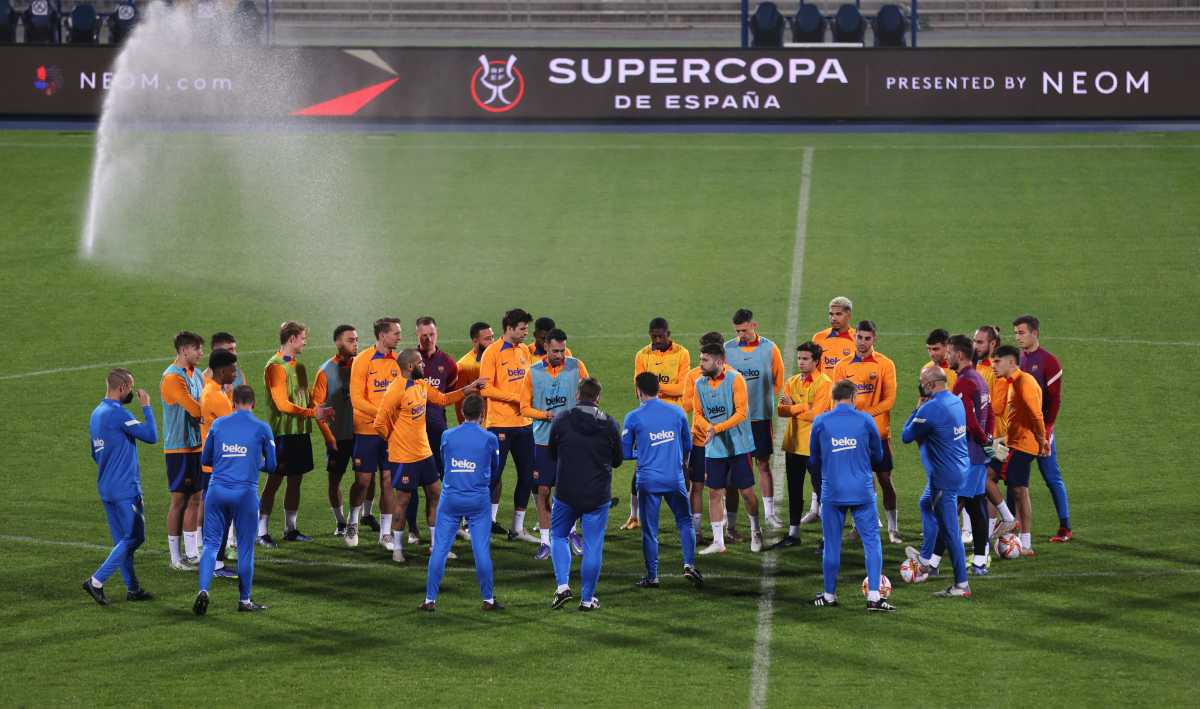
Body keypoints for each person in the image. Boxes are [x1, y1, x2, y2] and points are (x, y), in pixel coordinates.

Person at [374, 349, 484, 563]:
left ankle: (436, 547)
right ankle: (397, 549)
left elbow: (442, 399)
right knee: (403, 500)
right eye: (420, 363)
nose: (424, 365)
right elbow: (379, 423)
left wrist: (467, 389)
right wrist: (394, 440)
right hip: (404, 457)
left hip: (424, 453)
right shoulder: (396, 389)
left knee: (435, 495)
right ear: (410, 367)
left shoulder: (422, 385)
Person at [808, 380, 894, 612]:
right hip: (862, 491)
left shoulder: (820, 421)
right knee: (871, 542)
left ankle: (829, 595)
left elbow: (813, 459)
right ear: (854, 398)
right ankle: (874, 597)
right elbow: (878, 455)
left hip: (833, 491)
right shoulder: (866, 420)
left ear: (833, 398)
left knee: (831, 545)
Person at [194, 385, 276, 615]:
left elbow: (205, 459)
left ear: (232, 402)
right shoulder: (262, 428)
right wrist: (254, 461)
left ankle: (203, 590)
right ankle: (244, 600)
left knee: (211, 545)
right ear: (253, 403)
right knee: (245, 548)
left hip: (217, 491)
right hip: (245, 494)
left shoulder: (218, 424)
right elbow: (272, 465)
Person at [420, 395, 503, 612]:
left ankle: (430, 600)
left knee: (439, 549)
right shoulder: (490, 438)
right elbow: (496, 468)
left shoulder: (447, 435)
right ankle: (488, 600)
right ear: (482, 414)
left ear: (462, 412)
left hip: (451, 499)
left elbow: (445, 461)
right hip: (478, 500)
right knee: (481, 550)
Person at [548, 377, 623, 611]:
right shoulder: (609, 424)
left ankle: (562, 587)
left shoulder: (562, 419)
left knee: (558, 536)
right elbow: (618, 460)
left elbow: (552, 452)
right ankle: (587, 600)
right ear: (598, 397)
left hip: (566, 492)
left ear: (578, 395)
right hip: (597, 495)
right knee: (592, 546)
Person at [83, 368, 157, 606]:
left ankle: (133, 588)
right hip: (126, 488)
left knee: (122, 542)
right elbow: (151, 435)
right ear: (122, 387)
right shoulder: (118, 413)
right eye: (131, 387)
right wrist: (147, 407)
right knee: (135, 537)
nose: (132, 392)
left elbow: (94, 452)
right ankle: (96, 581)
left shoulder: (96, 413)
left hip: (106, 487)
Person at [623, 372, 703, 589]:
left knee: (650, 530)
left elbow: (625, 453)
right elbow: (687, 446)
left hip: (648, 481)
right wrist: (680, 462)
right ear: (658, 389)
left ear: (638, 391)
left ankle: (653, 576)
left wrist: (643, 451)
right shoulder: (677, 412)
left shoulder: (633, 417)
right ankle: (689, 564)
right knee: (685, 521)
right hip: (674, 478)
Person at [901, 366, 972, 599]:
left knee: (951, 533)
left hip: (943, 478)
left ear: (930, 385)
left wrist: (917, 409)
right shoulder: (955, 401)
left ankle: (961, 585)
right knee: (925, 503)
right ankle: (925, 559)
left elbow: (906, 436)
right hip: (960, 468)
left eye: (922, 382)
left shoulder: (931, 408)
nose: (920, 385)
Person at [259, 321, 331, 546]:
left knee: (295, 480)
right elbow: (282, 404)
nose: (305, 342)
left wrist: (322, 409)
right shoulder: (275, 367)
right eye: (302, 338)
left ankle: (290, 529)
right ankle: (261, 532)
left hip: (300, 432)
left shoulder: (298, 366)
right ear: (291, 339)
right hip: (282, 434)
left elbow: (305, 398)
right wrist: (312, 413)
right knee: (273, 481)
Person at [520, 328, 588, 560]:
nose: (560, 355)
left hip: (571, 440)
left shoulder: (576, 366)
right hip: (542, 440)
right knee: (543, 490)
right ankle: (545, 541)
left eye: (563, 350)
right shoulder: (533, 372)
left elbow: (588, 395)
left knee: (569, 488)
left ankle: (571, 532)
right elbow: (524, 407)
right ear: (546, 347)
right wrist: (545, 415)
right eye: (556, 351)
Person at [833, 320, 901, 544]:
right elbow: (837, 400)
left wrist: (864, 415)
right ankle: (860, 527)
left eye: (867, 338)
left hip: (878, 434)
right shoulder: (842, 366)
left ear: (874, 339)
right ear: (855, 337)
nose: (862, 342)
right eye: (859, 337)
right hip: (853, 436)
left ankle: (893, 527)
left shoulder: (885, 364)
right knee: (860, 482)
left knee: (884, 479)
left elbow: (889, 400)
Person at [932, 334, 994, 575]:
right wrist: (988, 440)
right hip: (979, 456)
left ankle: (932, 562)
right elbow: (991, 413)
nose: (946, 357)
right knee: (976, 505)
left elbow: (967, 421)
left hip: (966, 456)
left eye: (948, 353)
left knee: (949, 506)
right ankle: (979, 560)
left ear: (959, 355)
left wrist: (982, 440)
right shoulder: (979, 379)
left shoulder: (963, 383)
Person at [694, 343, 762, 555]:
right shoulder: (699, 383)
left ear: (718, 361)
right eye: (700, 359)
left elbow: (742, 413)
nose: (700, 363)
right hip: (714, 449)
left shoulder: (735, 379)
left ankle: (755, 530)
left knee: (747, 492)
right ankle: (718, 541)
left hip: (739, 447)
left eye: (704, 360)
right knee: (714, 492)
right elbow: (697, 414)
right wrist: (708, 428)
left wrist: (716, 428)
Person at [625, 317, 692, 530]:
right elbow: (639, 387)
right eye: (653, 337)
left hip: (673, 419)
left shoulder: (682, 353)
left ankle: (685, 514)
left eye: (661, 336)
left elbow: (682, 388)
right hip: (648, 420)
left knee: (681, 465)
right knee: (641, 465)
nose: (657, 340)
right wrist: (663, 388)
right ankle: (634, 516)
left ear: (668, 334)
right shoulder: (642, 355)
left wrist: (653, 387)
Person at [479, 308, 537, 538]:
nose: (525, 333)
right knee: (492, 477)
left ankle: (517, 528)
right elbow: (485, 388)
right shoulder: (492, 353)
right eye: (522, 329)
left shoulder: (524, 350)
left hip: (524, 423)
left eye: (526, 329)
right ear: (509, 328)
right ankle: (479, 524)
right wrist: (515, 398)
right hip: (500, 425)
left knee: (528, 475)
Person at [725, 309, 786, 529]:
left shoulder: (769, 348)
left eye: (744, 330)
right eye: (737, 331)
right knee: (734, 468)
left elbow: (779, 379)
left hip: (760, 417)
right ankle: (730, 519)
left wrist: (764, 401)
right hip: (735, 420)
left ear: (754, 325)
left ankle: (769, 514)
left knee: (763, 463)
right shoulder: (728, 349)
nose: (741, 335)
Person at [1014, 315, 1072, 543]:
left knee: (1051, 476)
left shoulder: (1049, 362)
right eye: (1016, 333)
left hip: (1040, 431)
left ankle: (1065, 527)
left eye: (1021, 333)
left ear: (1035, 333)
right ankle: (1012, 527)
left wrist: (1047, 430)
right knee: (1014, 479)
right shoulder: (1017, 359)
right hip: (1018, 431)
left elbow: (1055, 401)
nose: (1018, 337)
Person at [348, 317, 403, 549]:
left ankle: (385, 533)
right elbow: (356, 399)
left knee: (388, 481)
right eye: (395, 333)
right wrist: (381, 414)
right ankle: (352, 521)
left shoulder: (398, 362)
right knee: (363, 481)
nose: (399, 337)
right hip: (366, 430)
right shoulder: (362, 360)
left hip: (391, 433)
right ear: (382, 335)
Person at [773, 341, 832, 548]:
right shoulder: (792, 381)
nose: (801, 362)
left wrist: (794, 407)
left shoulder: (825, 383)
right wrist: (804, 406)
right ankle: (793, 534)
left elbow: (816, 415)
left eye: (805, 359)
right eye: (799, 358)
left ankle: (827, 538)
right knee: (794, 490)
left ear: (816, 361)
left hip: (816, 447)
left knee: (823, 492)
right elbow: (780, 410)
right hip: (793, 444)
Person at [408, 316, 459, 544]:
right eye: (424, 335)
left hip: (437, 433)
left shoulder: (448, 363)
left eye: (432, 334)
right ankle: (412, 529)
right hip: (412, 435)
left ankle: (441, 527)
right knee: (410, 484)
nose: (428, 339)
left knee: (439, 483)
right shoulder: (409, 361)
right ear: (417, 335)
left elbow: (447, 395)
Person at [991, 345, 1045, 557]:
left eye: (998, 361)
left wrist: (1042, 440)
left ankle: (1025, 541)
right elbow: (999, 410)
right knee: (984, 476)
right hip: (1008, 442)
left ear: (1012, 362)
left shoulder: (1025, 382)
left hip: (1023, 444)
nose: (993, 365)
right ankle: (1005, 520)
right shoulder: (1010, 382)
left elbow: (1036, 415)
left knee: (1019, 491)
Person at [806, 296, 856, 521]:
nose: (833, 318)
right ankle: (815, 507)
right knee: (815, 461)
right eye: (831, 314)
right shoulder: (819, 338)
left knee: (846, 460)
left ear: (848, 315)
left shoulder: (857, 339)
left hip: (845, 412)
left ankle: (854, 511)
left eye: (838, 314)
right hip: (822, 410)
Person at [160, 331, 205, 570]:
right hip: (179, 448)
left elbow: (203, 405)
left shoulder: (196, 374)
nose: (201, 353)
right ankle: (176, 558)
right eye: (197, 349)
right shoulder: (172, 378)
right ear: (184, 350)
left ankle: (192, 553)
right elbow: (195, 409)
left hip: (196, 446)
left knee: (196, 498)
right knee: (179, 500)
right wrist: (214, 413)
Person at [680, 332, 728, 543]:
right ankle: (702, 531)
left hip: (718, 439)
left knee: (713, 486)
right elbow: (687, 405)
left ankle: (714, 530)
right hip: (707, 439)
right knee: (702, 486)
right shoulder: (695, 376)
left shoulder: (730, 375)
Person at [313, 324, 358, 537]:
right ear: (338, 342)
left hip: (361, 434)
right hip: (337, 436)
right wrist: (329, 438)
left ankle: (360, 517)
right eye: (350, 340)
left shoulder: (361, 365)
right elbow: (317, 409)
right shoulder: (325, 371)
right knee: (334, 480)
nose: (355, 343)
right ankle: (340, 521)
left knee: (365, 479)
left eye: (356, 339)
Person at [200, 349, 240, 578]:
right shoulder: (216, 397)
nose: (235, 373)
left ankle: (215, 561)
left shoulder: (211, 390)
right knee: (221, 517)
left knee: (219, 515)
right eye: (233, 369)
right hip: (221, 467)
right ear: (223, 370)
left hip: (213, 465)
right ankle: (215, 563)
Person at [454, 321, 494, 424]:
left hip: (500, 421)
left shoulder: (498, 358)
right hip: (480, 424)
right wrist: (464, 426)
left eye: (492, 337)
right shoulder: (463, 366)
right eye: (487, 339)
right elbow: (459, 400)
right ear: (475, 341)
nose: (492, 342)